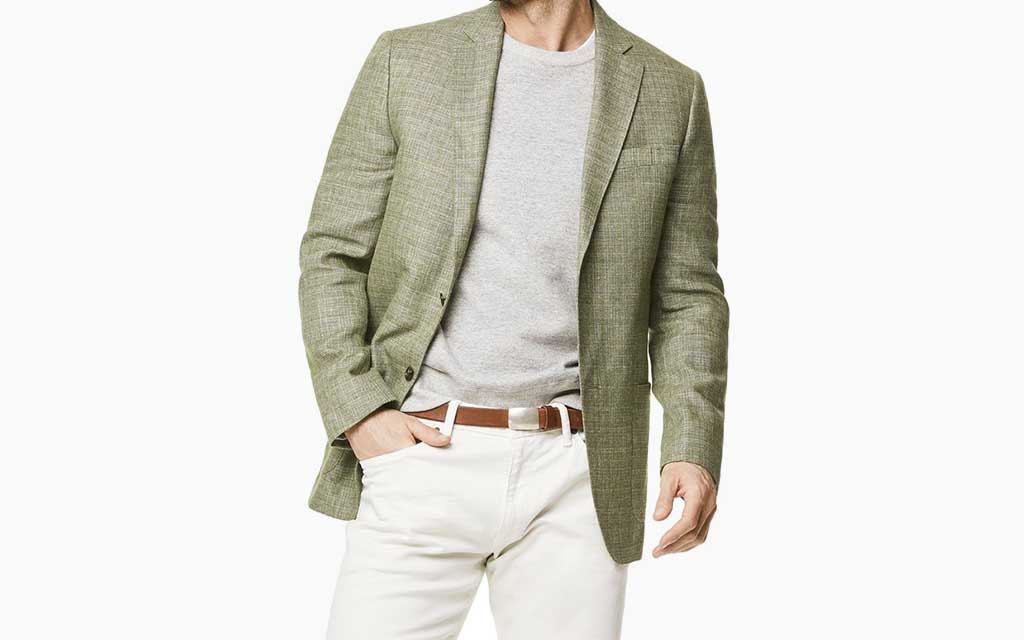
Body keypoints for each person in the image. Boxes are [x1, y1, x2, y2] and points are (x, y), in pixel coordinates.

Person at [298, 0, 728, 637]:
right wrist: (363, 415)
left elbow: (688, 294)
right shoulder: (408, 59)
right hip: (424, 453)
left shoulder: (670, 89)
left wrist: (692, 447)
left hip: (578, 474)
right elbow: (332, 252)